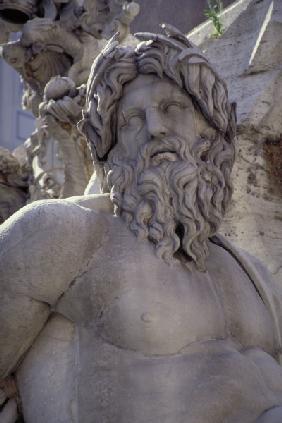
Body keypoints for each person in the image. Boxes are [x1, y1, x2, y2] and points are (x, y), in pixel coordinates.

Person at [1, 25, 282, 423]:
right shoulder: (61, 236)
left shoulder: (256, 276)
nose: (155, 128)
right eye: (132, 120)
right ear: (111, 150)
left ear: (212, 127)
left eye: (172, 108)